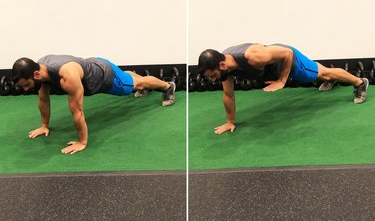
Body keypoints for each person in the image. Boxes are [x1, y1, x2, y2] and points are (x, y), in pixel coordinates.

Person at [11, 55, 176, 154]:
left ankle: (167, 86)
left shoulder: (67, 75)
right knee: (131, 80)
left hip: (104, 76)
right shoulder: (41, 69)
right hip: (93, 64)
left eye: (26, 84)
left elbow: (78, 112)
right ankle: (130, 77)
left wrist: (82, 142)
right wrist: (44, 125)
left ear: (37, 74)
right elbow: (43, 100)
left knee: (137, 85)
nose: (26, 89)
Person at [198, 43, 369, 134]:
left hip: (289, 61)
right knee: (319, 72)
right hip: (276, 63)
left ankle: (360, 83)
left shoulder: (253, 56)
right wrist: (230, 122)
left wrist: (281, 80)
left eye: (213, 75)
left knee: (323, 73)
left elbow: (287, 53)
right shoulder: (225, 68)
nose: (213, 80)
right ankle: (331, 80)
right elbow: (228, 95)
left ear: (221, 65)